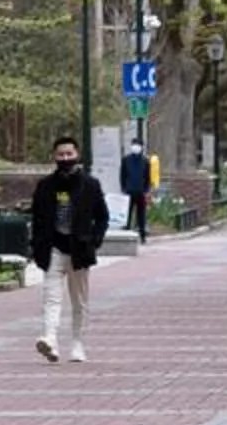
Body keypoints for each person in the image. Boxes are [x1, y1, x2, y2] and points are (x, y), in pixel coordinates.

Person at [29, 134, 112, 364]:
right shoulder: (45, 186)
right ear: (54, 157)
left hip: (79, 250)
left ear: (77, 155)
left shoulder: (90, 185)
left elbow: (103, 217)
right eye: (60, 154)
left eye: (69, 154)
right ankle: (50, 339)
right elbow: (36, 218)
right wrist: (36, 247)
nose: (65, 158)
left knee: (79, 301)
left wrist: (94, 241)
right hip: (53, 248)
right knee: (51, 297)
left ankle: (77, 343)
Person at [117, 138, 153, 239]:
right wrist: (123, 187)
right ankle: (126, 231)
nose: (135, 147)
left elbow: (147, 177)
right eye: (134, 144)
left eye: (137, 145)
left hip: (141, 191)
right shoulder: (126, 160)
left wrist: (146, 189)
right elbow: (122, 175)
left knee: (141, 214)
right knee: (127, 213)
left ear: (141, 147)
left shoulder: (145, 161)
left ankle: (142, 234)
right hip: (129, 190)